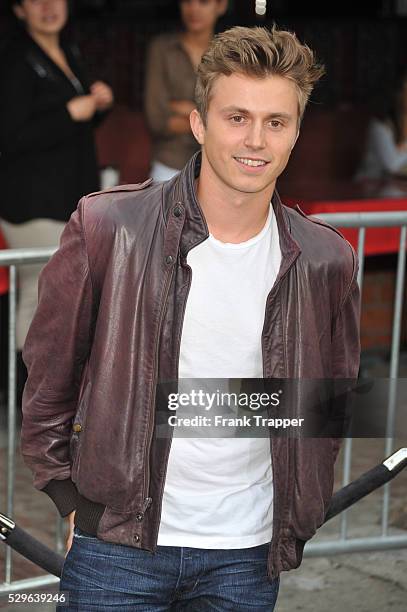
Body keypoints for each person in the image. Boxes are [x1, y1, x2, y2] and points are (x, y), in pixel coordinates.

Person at [21, 25, 360, 611]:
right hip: (119, 549)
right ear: (199, 124)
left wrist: (298, 509)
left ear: (296, 134)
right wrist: (68, 494)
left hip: (248, 556)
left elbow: (325, 405)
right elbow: (50, 374)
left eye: (276, 122)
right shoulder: (111, 228)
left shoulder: (327, 260)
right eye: (236, 117)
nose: (255, 139)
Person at [0, 0, 113, 376]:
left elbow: (73, 127)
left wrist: (97, 107)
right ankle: (26, 408)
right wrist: (69, 112)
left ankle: (45, 405)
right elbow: (10, 136)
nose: (48, 6)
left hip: (65, 196)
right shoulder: (15, 58)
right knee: (38, 299)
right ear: (19, 10)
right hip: (33, 203)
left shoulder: (66, 50)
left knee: (58, 300)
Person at [144, 0, 227, 181]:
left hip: (219, 167)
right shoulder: (162, 49)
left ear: (221, 6)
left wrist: (184, 109)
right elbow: (157, 120)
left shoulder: (228, 55)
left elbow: (232, 118)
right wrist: (210, 118)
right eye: (187, 2)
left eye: (204, 2)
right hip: (170, 164)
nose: (194, 9)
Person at [355, 73, 407, 180]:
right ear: (398, 94)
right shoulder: (379, 126)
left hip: (395, 188)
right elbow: (392, 165)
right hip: (368, 188)